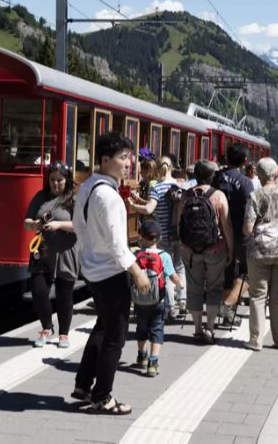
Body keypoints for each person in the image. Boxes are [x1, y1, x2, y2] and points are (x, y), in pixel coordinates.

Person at [71, 132, 150, 415]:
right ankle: (102, 396)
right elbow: (119, 245)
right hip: (110, 273)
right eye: (123, 158)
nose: (129, 164)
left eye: (130, 158)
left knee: (102, 327)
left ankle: (82, 384)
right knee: (115, 337)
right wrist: (138, 273)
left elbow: (78, 226)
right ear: (105, 160)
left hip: (92, 269)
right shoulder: (110, 197)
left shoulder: (88, 187)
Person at [23, 162, 80, 348]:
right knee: (39, 290)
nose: (56, 184)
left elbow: (81, 225)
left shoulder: (73, 198)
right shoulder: (40, 197)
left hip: (67, 250)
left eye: (60, 180)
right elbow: (27, 221)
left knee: (64, 293)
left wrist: (59, 225)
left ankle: (64, 333)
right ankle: (46, 327)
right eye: (52, 180)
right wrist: (34, 225)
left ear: (67, 180)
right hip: (43, 249)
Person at [176, 160, 233, 345]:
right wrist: (230, 249)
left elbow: (178, 224)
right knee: (214, 287)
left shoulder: (185, 196)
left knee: (194, 287)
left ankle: (197, 329)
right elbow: (227, 226)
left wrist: (184, 244)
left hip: (190, 250)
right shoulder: (219, 196)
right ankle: (210, 328)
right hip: (215, 248)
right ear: (212, 176)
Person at [243, 157, 278, 351]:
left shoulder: (256, 196)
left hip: (260, 251)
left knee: (258, 295)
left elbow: (248, 228)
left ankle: (256, 340)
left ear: (261, 175)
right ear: (276, 174)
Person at [127, 156, 186, 317]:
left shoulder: (157, 187)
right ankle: (183, 300)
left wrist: (133, 206)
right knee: (180, 268)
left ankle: (170, 306)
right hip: (178, 234)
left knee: (165, 271)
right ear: (172, 167)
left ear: (157, 168)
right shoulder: (179, 185)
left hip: (162, 236)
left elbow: (149, 209)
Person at [133, 221, 184, 377]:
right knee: (156, 329)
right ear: (159, 238)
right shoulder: (164, 256)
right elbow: (173, 276)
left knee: (141, 328)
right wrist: (180, 285)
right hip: (158, 301)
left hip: (139, 301)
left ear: (141, 237)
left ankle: (142, 355)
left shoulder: (135, 255)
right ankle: (153, 363)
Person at [213, 145, 255, 327]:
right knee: (251, 273)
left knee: (227, 273)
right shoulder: (246, 183)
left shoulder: (216, 177)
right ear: (245, 161)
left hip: (219, 232)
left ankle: (226, 315)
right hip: (240, 233)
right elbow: (251, 209)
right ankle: (226, 306)